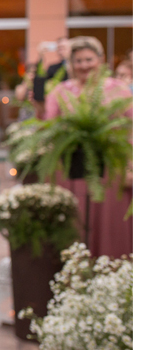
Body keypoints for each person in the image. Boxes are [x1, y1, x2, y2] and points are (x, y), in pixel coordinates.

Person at [45, 36, 132, 259]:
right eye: (78, 60)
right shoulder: (61, 92)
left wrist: (132, 164)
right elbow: (49, 129)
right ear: (71, 64)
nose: (84, 65)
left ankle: (110, 271)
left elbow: (133, 128)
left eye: (89, 59)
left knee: (109, 226)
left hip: (112, 171)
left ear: (101, 60)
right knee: (76, 223)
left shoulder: (119, 89)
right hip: (71, 171)